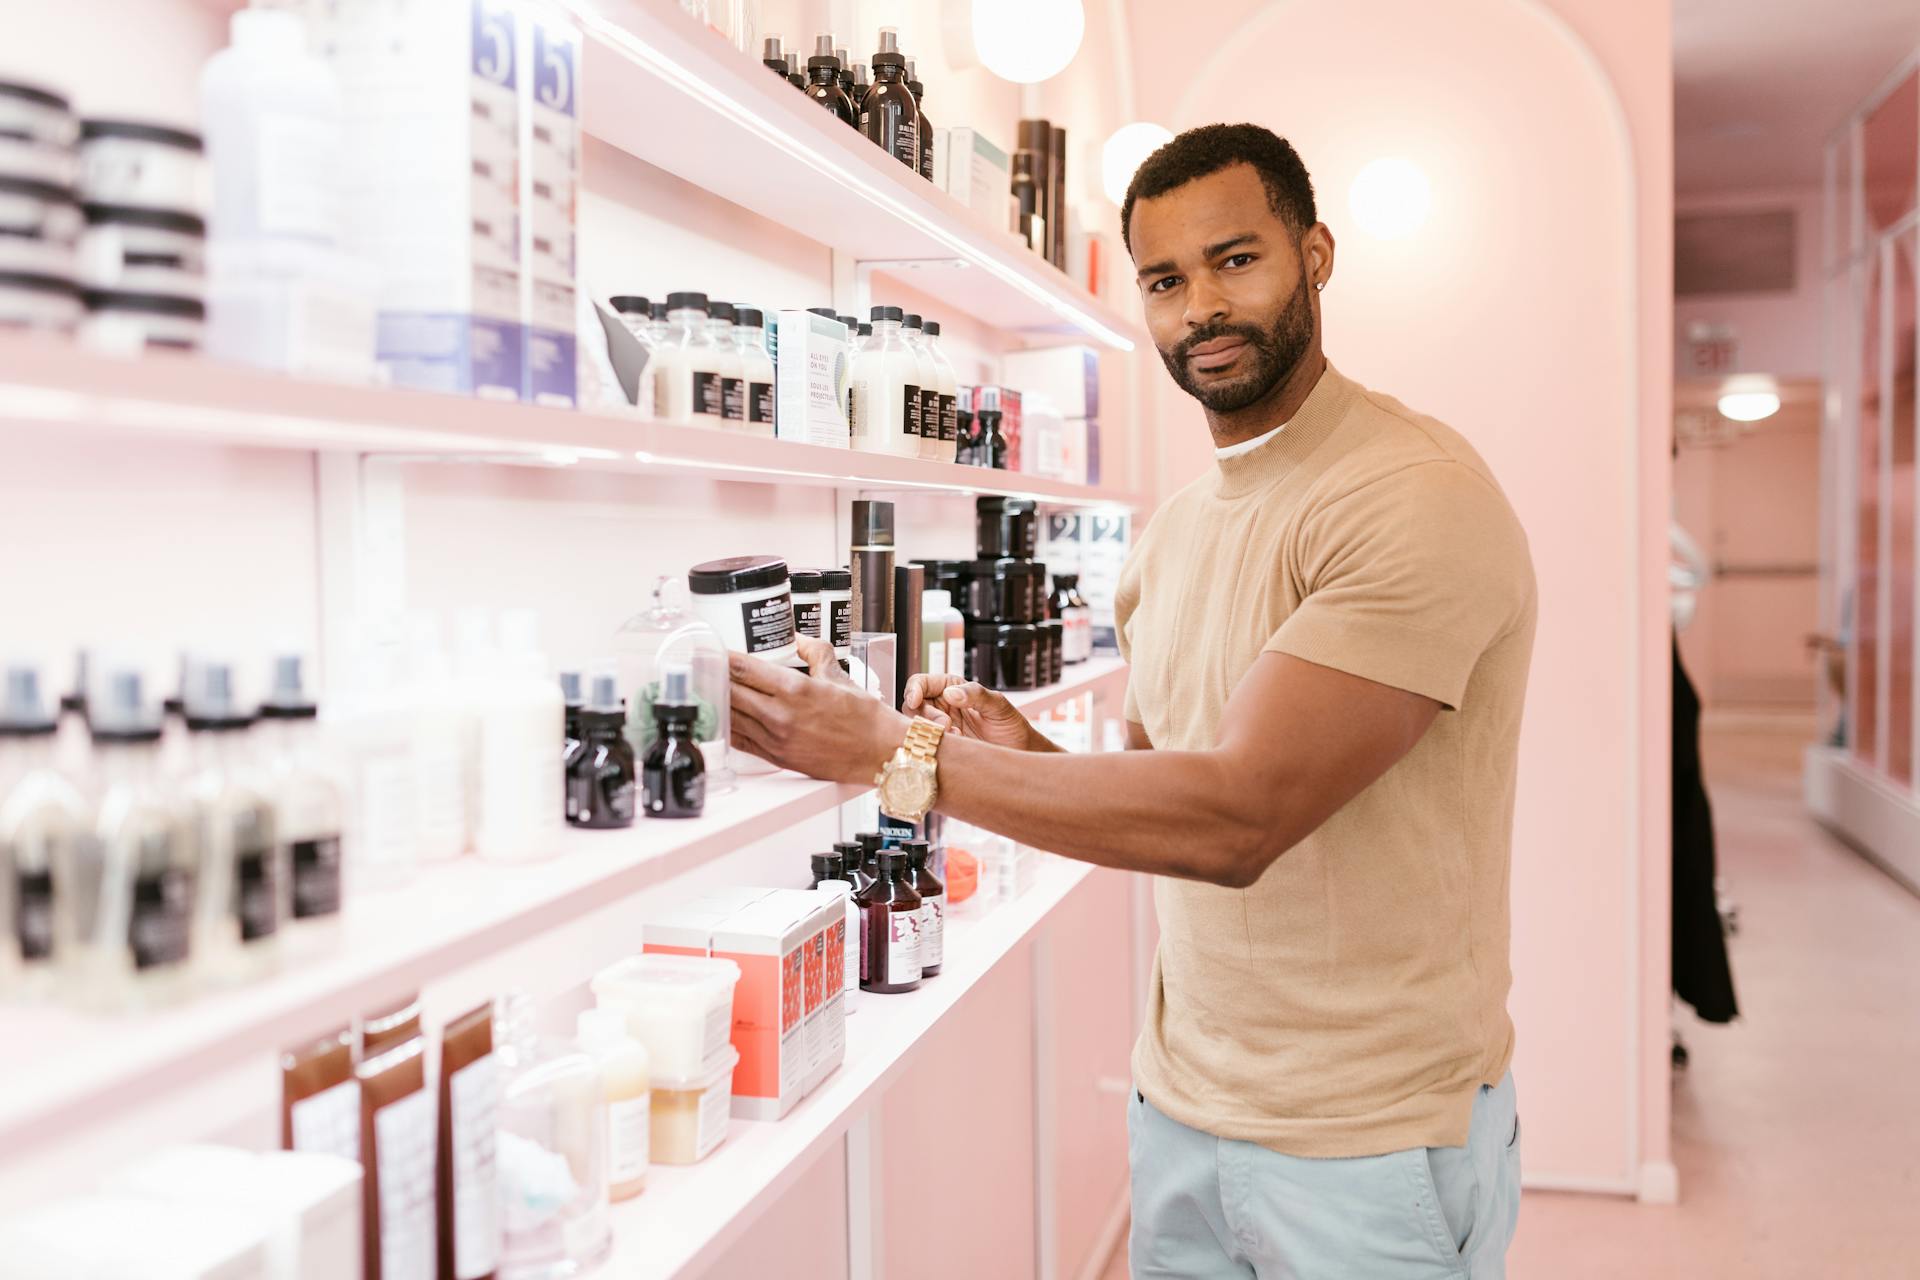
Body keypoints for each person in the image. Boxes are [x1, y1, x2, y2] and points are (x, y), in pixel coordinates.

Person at [727, 123, 1536, 1278]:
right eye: (1165, 279)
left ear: (1316, 255)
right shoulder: (1171, 539)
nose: (1201, 305)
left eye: (1235, 260)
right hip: (1183, 1110)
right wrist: (1039, 754)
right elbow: (1173, 801)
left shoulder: (1410, 497)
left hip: (1366, 1142)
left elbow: (1238, 819)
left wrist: (893, 755)